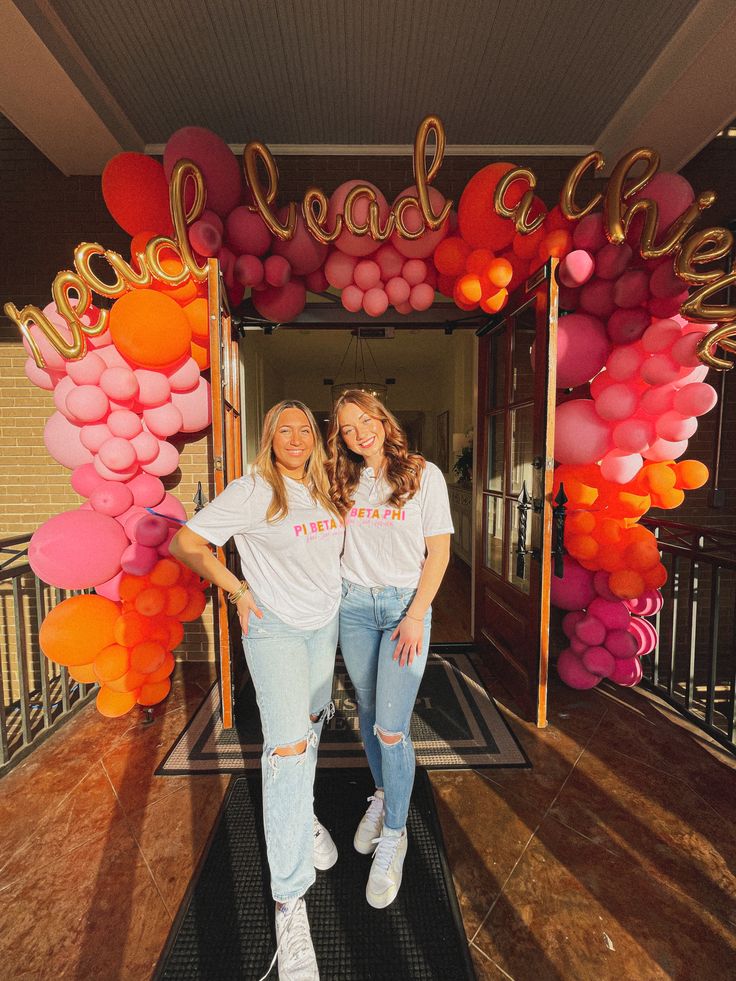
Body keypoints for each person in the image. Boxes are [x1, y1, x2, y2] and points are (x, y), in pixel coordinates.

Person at [170, 400, 343, 981]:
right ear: (268, 440)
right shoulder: (251, 491)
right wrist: (238, 592)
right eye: (283, 431)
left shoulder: (325, 488)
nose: (295, 439)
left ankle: (305, 816)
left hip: (325, 625)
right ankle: (289, 902)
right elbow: (187, 544)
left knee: (313, 724)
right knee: (288, 748)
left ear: (316, 439)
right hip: (275, 630)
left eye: (304, 430)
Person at [327, 390, 453, 909]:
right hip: (353, 607)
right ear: (340, 437)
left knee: (392, 727)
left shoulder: (423, 474)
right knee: (370, 712)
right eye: (348, 427)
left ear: (383, 419)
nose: (361, 432)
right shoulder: (340, 479)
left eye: (366, 419)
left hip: (405, 609)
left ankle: (395, 834)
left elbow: (439, 551)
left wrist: (416, 616)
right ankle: (382, 794)